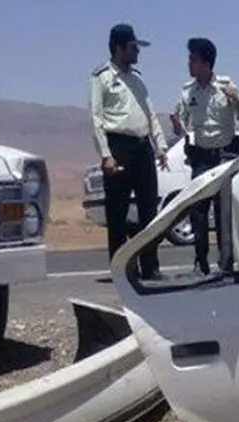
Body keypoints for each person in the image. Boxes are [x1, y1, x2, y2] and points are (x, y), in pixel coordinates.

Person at [89, 23, 169, 281]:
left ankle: (150, 266)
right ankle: (121, 269)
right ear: (119, 48)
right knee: (117, 213)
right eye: (133, 47)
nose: (137, 52)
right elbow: (96, 118)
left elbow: (150, 114)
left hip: (142, 147)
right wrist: (106, 155)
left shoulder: (137, 79)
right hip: (118, 148)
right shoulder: (101, 78)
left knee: (149, 211)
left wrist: (161, 146)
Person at [170, 37, 239, 275]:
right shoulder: (188, 91)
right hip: (201, 158)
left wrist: (234, 97)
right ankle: (200, 262)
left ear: (206, 63)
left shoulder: (226, 85)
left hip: (224, 155)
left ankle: (226, 263)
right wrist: (175, 123)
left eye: (193, 60)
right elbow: (180, 126)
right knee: (198, 212)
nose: (189, 64)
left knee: (223, 211)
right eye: (189, 59)